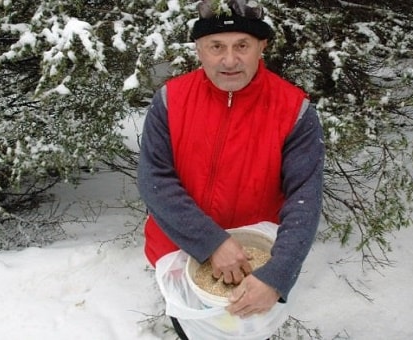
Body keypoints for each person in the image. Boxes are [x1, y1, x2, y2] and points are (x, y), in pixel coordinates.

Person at [136, 0, 324, 338]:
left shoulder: (295, 111)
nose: (229, 60)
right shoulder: (170, 100)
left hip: (257, 262)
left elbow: (304, 199)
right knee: (193, 328)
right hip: (180, 251)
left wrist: (276, 276)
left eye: (242, 45)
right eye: (216, 46)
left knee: (243, 328)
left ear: (261, 46)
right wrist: (211, 243)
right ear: (199, 49)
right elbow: (154, 179)